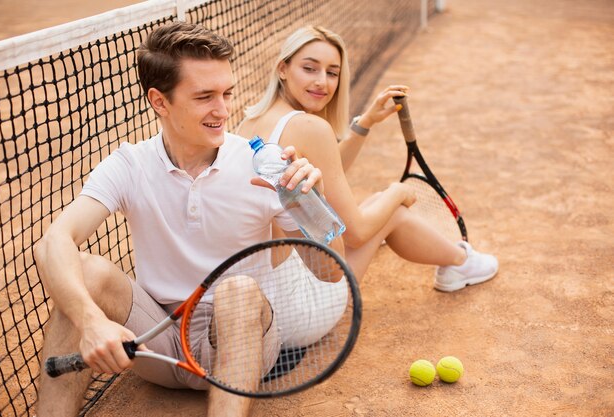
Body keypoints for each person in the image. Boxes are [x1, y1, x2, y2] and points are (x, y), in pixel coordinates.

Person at [33, 22, 343, 417]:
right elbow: (51, 243)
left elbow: (332, 271)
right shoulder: (130, 164)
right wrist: (90, 320)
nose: (223, 110)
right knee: (86, 271)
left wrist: (311, 204)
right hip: (156, 341)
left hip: (239, 344)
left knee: (239, 290)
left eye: (226, 93)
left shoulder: (263, 164)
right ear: (160, 101)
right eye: (205, 97)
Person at [237, 25, 499, 290]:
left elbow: (328, 169)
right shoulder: (310, 127)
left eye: (332, 73)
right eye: (309, 68)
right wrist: (399, 191)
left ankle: (457, 262)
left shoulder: (251, 121)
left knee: (376, 203)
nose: (321, 81)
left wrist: (365, 124)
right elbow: (356, 233)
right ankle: (460, 261)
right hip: (306, 289)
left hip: (262, 282)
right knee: (392, 210)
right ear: (283, 68)